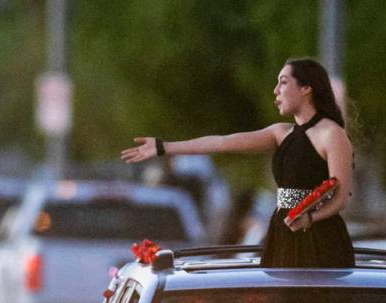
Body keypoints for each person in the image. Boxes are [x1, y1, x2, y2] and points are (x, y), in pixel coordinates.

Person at [121, 57, 355, 268]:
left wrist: (310, 217)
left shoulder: (332, 134)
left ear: (306, 88)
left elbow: (340, 197)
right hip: (283, 232)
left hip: (320, 238)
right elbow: (223, 142)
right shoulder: (280, 133)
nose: (276, 91)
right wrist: (165, 147)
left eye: (283, 82)